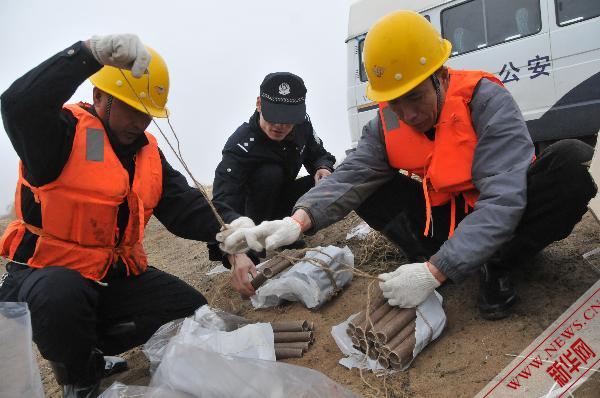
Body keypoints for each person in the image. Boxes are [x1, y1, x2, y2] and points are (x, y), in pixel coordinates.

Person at [218, 11, 597, 320]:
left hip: (503, 222)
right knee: (366, 184)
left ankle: (496, 263)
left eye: (414, 97)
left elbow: (503, 199)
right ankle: (427, 256)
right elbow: (351, 176)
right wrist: (296, 221)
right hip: (443, 222)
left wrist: (435, 272)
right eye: (395, 102)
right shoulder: (387, 121)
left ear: (441, 77)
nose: (408, 114)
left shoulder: (486, 102)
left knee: (568, 162)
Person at [0, 34, 255, 397]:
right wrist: (86, 54)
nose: (139, 122)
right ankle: (80, 375)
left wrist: (233, 238)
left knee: (190, 310)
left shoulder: (146, 153)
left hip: (109, 279)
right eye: (130, 109)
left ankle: (92, 344)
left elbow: (186, 206)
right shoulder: (60, 135)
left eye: (147, 114)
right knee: (62, 296)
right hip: (47, 278)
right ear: (99, 96)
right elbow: (18, 105)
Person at [210, 72, 336, 230]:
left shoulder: (302, 127)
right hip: (251, 216)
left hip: (285, 205)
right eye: (274, 115)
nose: (280, 125)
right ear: (259, 104)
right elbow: (224, 198)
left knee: (324, 180)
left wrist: (323, 167)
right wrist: (237, 230)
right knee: (270, 173)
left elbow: (318, 155)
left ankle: (294, 229)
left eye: (288, 118)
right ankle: (260, 241)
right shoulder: (240, 145)